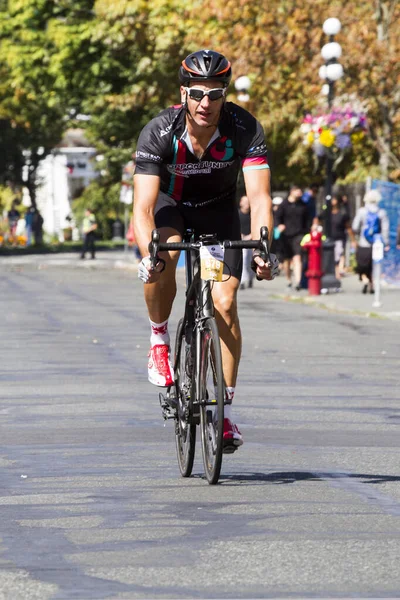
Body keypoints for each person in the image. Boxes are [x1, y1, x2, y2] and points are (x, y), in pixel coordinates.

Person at [133, 49, 278, 453]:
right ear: (183, 93)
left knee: (226, 302)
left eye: (215, 95)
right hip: (170, 209)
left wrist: (264, 247)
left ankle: (224, 412)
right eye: (197, 94)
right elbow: (143, 208)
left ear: (225, 96)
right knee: (167, 256)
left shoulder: (243, 127)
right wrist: (150, 254)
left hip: (218, 215)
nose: (205, 104)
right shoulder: (160, 132)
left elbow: (260, 197)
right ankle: (159, 338)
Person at [352, 190, 389, 293]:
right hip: (377, 243)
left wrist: (358, 235)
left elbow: (355, 226)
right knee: (374, 265)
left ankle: (365, 280)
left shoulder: (362, 211)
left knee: (362, 264)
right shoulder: (382, 212)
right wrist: (385, 242)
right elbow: (385, 229)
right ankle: (372, 285)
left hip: (364, 243)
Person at [276, 184, 310, 290]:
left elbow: (307, 220)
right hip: (285, 235)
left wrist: (307, 231)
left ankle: (298, 281)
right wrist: (279, 225)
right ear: (292, 191)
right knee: (287, 259)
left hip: (299, 234)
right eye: (298, 190)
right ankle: (288, 279)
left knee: (297, 256)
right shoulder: (283, 205)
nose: (300, 193)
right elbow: (277, 217)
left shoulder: (303, 205)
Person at [318, 194, 356, 280]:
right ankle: (334, 271)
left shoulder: (342, 214)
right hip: (327, 238)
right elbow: (318, 219)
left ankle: (336, 272)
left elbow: (348, 227)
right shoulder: (326, 213)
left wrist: (353, 240)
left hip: (339, 238)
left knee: (337, 255)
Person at [238, 195, 255, 290]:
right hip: (240, 241)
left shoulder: (252, 215)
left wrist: (251, 235)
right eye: (244, 202)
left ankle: (251, 277)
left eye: (248, 202)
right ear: (241, 203)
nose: (246, 204)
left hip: (251, 240)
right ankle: (243, 280)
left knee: (250, 260)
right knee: (243, 260)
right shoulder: (237, 214)